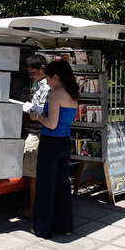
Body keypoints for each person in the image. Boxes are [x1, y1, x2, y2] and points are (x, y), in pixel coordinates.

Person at [28, 60, 78, 238]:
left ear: (56, 77)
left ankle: (42, 228)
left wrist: (37, 116)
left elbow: (51, 123)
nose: (47, 82)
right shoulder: (72, 94)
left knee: (45, 187)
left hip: (51, 143)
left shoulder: (56, 94)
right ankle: (64, 226)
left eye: (48, 78)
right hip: (65, 142)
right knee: (63, 186)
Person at [18, 54, 50, 219]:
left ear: (43, 69)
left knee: (33, 175)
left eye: (33, 72)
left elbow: (43, 110)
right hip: (37, 131)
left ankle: (34, 210)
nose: (31, 76)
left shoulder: (47, 86)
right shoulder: (41, 85)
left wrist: (30, 112)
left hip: (37, 133)